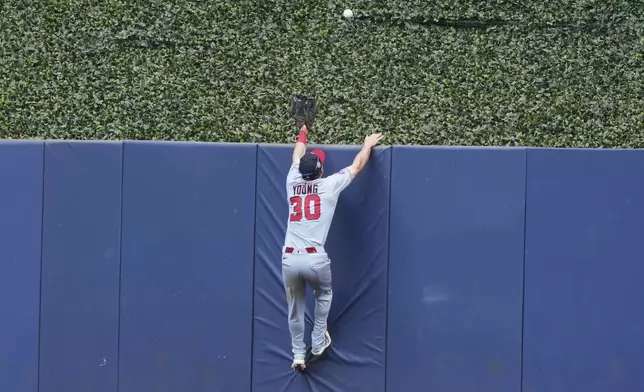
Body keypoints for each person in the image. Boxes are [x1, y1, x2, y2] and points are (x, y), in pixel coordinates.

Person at [282, 124, 384, 371]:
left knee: (295, 310)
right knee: (324, 295)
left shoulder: (292, 180)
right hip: (315, 258)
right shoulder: (328, 186)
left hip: (289, 259)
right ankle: (317, 343)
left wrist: (303, 132)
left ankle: (297, 354)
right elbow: (358, 165)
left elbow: (297, 155)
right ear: (320, 170)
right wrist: (367, 144)